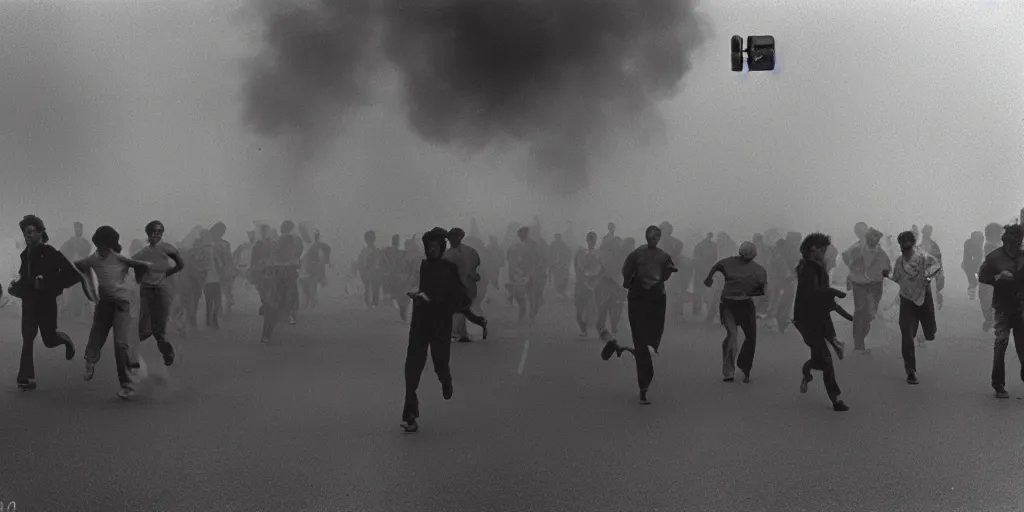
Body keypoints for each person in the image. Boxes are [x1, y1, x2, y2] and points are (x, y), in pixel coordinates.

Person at [401, 228, 469, 433]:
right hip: (420, 324)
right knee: (412, 369)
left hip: (440, 325)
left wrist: (436, 301)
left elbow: (462, 299)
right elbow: (408, 282)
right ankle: (410, 415)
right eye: (428, 247)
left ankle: (445, 380)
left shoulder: (449, 270)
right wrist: (415, 295)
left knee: (440, 364)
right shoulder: (419, 267)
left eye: (435, 247)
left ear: (441, 248)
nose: (431, 251)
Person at [601, 225, 676, 405]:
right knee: (641, 342)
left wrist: (667, 273)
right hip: (639, 300)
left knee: (651, 340)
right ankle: (643, 387)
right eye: (651, 236)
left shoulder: (663, 256)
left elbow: (666, 273)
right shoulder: (636, 254)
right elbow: (627, 273)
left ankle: (619, 345)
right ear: (646, 237)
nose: (653, 239)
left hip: (656, 301)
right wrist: (629, 283)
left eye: (656, 236)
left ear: (659, 238)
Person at [75, 226, 152, 400]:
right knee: (97, 334)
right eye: (99, 245)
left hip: (122, 305)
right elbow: (78, 267)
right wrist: (89, 288)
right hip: (104, 304)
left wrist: (139, 279)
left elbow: (142, 266)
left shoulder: (119, 258)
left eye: (105, 245)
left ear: (109, 245)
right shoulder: (93, 259)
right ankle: (90, 362)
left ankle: (127, 385)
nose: (101, 249)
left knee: (120, 344)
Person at [9, 215, 82, 391]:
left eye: (30, 231)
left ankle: (65, 340)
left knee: (49, 339)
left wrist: (48, 281)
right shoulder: (24, 255)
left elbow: (73, 275)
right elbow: (23, 278)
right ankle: (26, 377)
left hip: (46, 303)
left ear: (40, 232)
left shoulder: (51, 253)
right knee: (28, 336)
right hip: (29, 302)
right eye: (24, 232)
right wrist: (15, 285)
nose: (26, 235)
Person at [793, 233, 849, 412]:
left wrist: (834, 304)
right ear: (813, 249)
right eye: (822, 250)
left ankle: (809, 369)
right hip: (807, 320)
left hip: (821, 317)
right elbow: (813, 294)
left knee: (820, 360)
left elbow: (821, 294)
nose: (825, 253)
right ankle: (836, 398)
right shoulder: (807, 268)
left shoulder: (818, 267)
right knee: (825, 359)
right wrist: (834, 293)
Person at [882, 231, 941, 385]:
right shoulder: (899, 261)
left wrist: (927, 276)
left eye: (908, 246)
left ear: (913, 245)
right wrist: (886, 274)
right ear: (900, 246)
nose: (906, 250)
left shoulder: (923, 258)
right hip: (906, 300)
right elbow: (896, 277)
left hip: (923, 298)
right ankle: (910, 370)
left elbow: (936, 266)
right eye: (903, 247)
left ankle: (925, 331)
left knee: (930, 332)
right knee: (907, 334)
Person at [703, 241, 767, 383]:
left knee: (747, 336)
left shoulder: (758, 269)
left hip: (741, 304)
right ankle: (731, 370)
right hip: (730, 304)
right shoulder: (732, 263)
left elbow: (763, 291)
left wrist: (709, 279)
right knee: (734, 335)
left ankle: (742, 368)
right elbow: (716, 266)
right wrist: (709, 279)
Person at [977, 223, 1024, 399]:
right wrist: (999, 277)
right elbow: (983, 276)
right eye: (1014, 239)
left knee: (1023, 346)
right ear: (1006, 240)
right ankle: (998, 384)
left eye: (1020, 239)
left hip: (1021, 307)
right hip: (1002, 308)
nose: (1017, 243)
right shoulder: (994, 258)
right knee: (1001, 344)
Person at [132, 221, 183, 367]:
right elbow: (136, 274)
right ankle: (133, 357)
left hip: (161, 290)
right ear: (148, 234)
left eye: (159, 231)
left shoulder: (168, 249)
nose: (156, 234)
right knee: (143, 328)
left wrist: (165, 275)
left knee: (159, 329)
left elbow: (180, 265)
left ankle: (168, 353)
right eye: (153, 232)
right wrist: (141, 275)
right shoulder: (141, 253)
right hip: (146, 290)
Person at [842, 227, 890, 354]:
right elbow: (844, 255)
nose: (874, 242)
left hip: (875, 286)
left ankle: (861, 338)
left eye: (876, 240)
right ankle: (858, 344)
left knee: (870, 314)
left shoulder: (881, 253)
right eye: (872, 240)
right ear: (867, 239)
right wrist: (852, 268)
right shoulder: (856, 248)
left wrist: (883, 273)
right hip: (860, 285)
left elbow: (887, 268)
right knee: (859, 311)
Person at [444, 227, 483, 343]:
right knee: (460, 309)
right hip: (456, 286)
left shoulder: (470, 252)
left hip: (467, 285)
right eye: (451, 238)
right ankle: (463, 333)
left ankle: (458, 332)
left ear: (460, 237)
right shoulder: (448, 254)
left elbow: (477, 268)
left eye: (455, 237)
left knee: (460, 309)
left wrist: (474, 275)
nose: (452, 240)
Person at [573, 231, 603, 337]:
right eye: (590, 239)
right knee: (579, 310)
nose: (591, 242)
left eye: (593, 240)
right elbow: (577, 266)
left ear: (595, 241)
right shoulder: (581, 252)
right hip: (581, 284)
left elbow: (601, 268)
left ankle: (600, 331)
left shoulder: (598, 253)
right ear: (587, 240)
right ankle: (583, 329)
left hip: (593, 286)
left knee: (595, 310)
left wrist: (596, 277)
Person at [979, 223, 1004, 332]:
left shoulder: (997, 245)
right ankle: (991, 320)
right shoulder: (990, 245)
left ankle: (993, 321)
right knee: (987, 301)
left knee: (990, 301)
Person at [962, 231, 984, 300]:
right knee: (973, 279)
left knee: (975, 280)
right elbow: (969, 256)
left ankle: (972, 294)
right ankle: (971, 295)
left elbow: (979, 257)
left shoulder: (978, 246)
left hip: (974, 265)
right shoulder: (968, 243)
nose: (980, 241)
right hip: (968, 265)